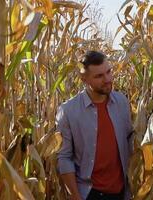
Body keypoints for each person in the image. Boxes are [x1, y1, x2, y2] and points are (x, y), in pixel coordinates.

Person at [56, 51, 133, 200]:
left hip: (122, 192)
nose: (107, 79)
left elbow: (130, 141)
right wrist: (75, 197)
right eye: (99, 76)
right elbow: (64, 157)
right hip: (90, 193)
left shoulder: (122, 102)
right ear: (84, 79)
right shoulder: (68, 111)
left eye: (108, 72)